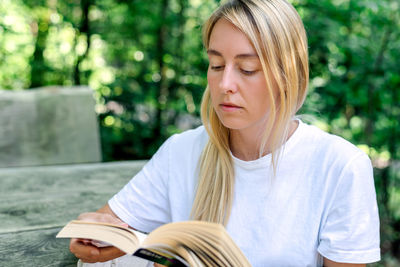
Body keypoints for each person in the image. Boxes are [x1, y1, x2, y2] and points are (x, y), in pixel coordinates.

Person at [69, 0, 381, 266]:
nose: (224, 84)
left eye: (247, 69)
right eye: (216, 65)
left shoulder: (340, 166)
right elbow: (107, 226)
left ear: (288, 75)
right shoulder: (181, 152)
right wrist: (93, 233)